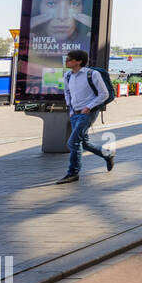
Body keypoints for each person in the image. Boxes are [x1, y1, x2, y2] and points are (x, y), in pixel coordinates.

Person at [55, 49, 114, 183]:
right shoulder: (68, 75)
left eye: (70, 59)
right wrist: (70, 108)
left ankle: (73, 173)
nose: (67, 61)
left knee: (73, 142)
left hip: (88, 113)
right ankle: (107, 154)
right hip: (74, 113)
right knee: (85, 143)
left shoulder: (92, 74)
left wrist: (89, 107)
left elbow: (103, 94)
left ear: (79, 61)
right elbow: (67, 93)